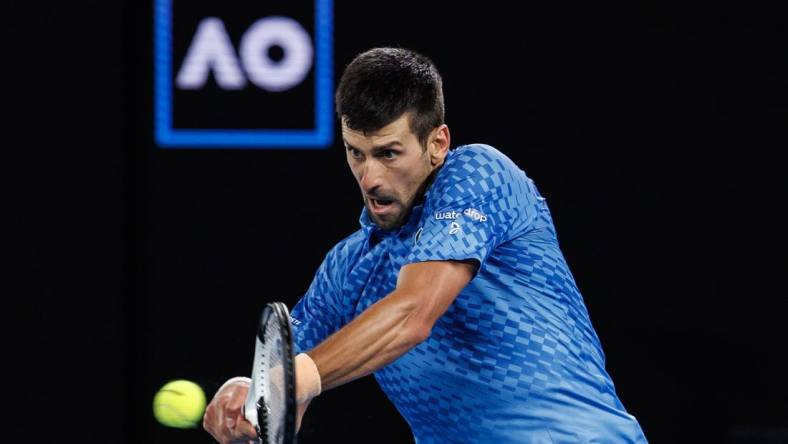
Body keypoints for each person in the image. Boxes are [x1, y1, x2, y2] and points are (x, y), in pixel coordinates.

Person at [203, 47, 648, 443]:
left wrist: (295, 380)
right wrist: (246, 392)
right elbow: (286, 374)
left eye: (388, 153)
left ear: (438, 143)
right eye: (355, 152)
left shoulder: (479, 174)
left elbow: (414, 313)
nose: (370, 177)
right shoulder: (346, 270)